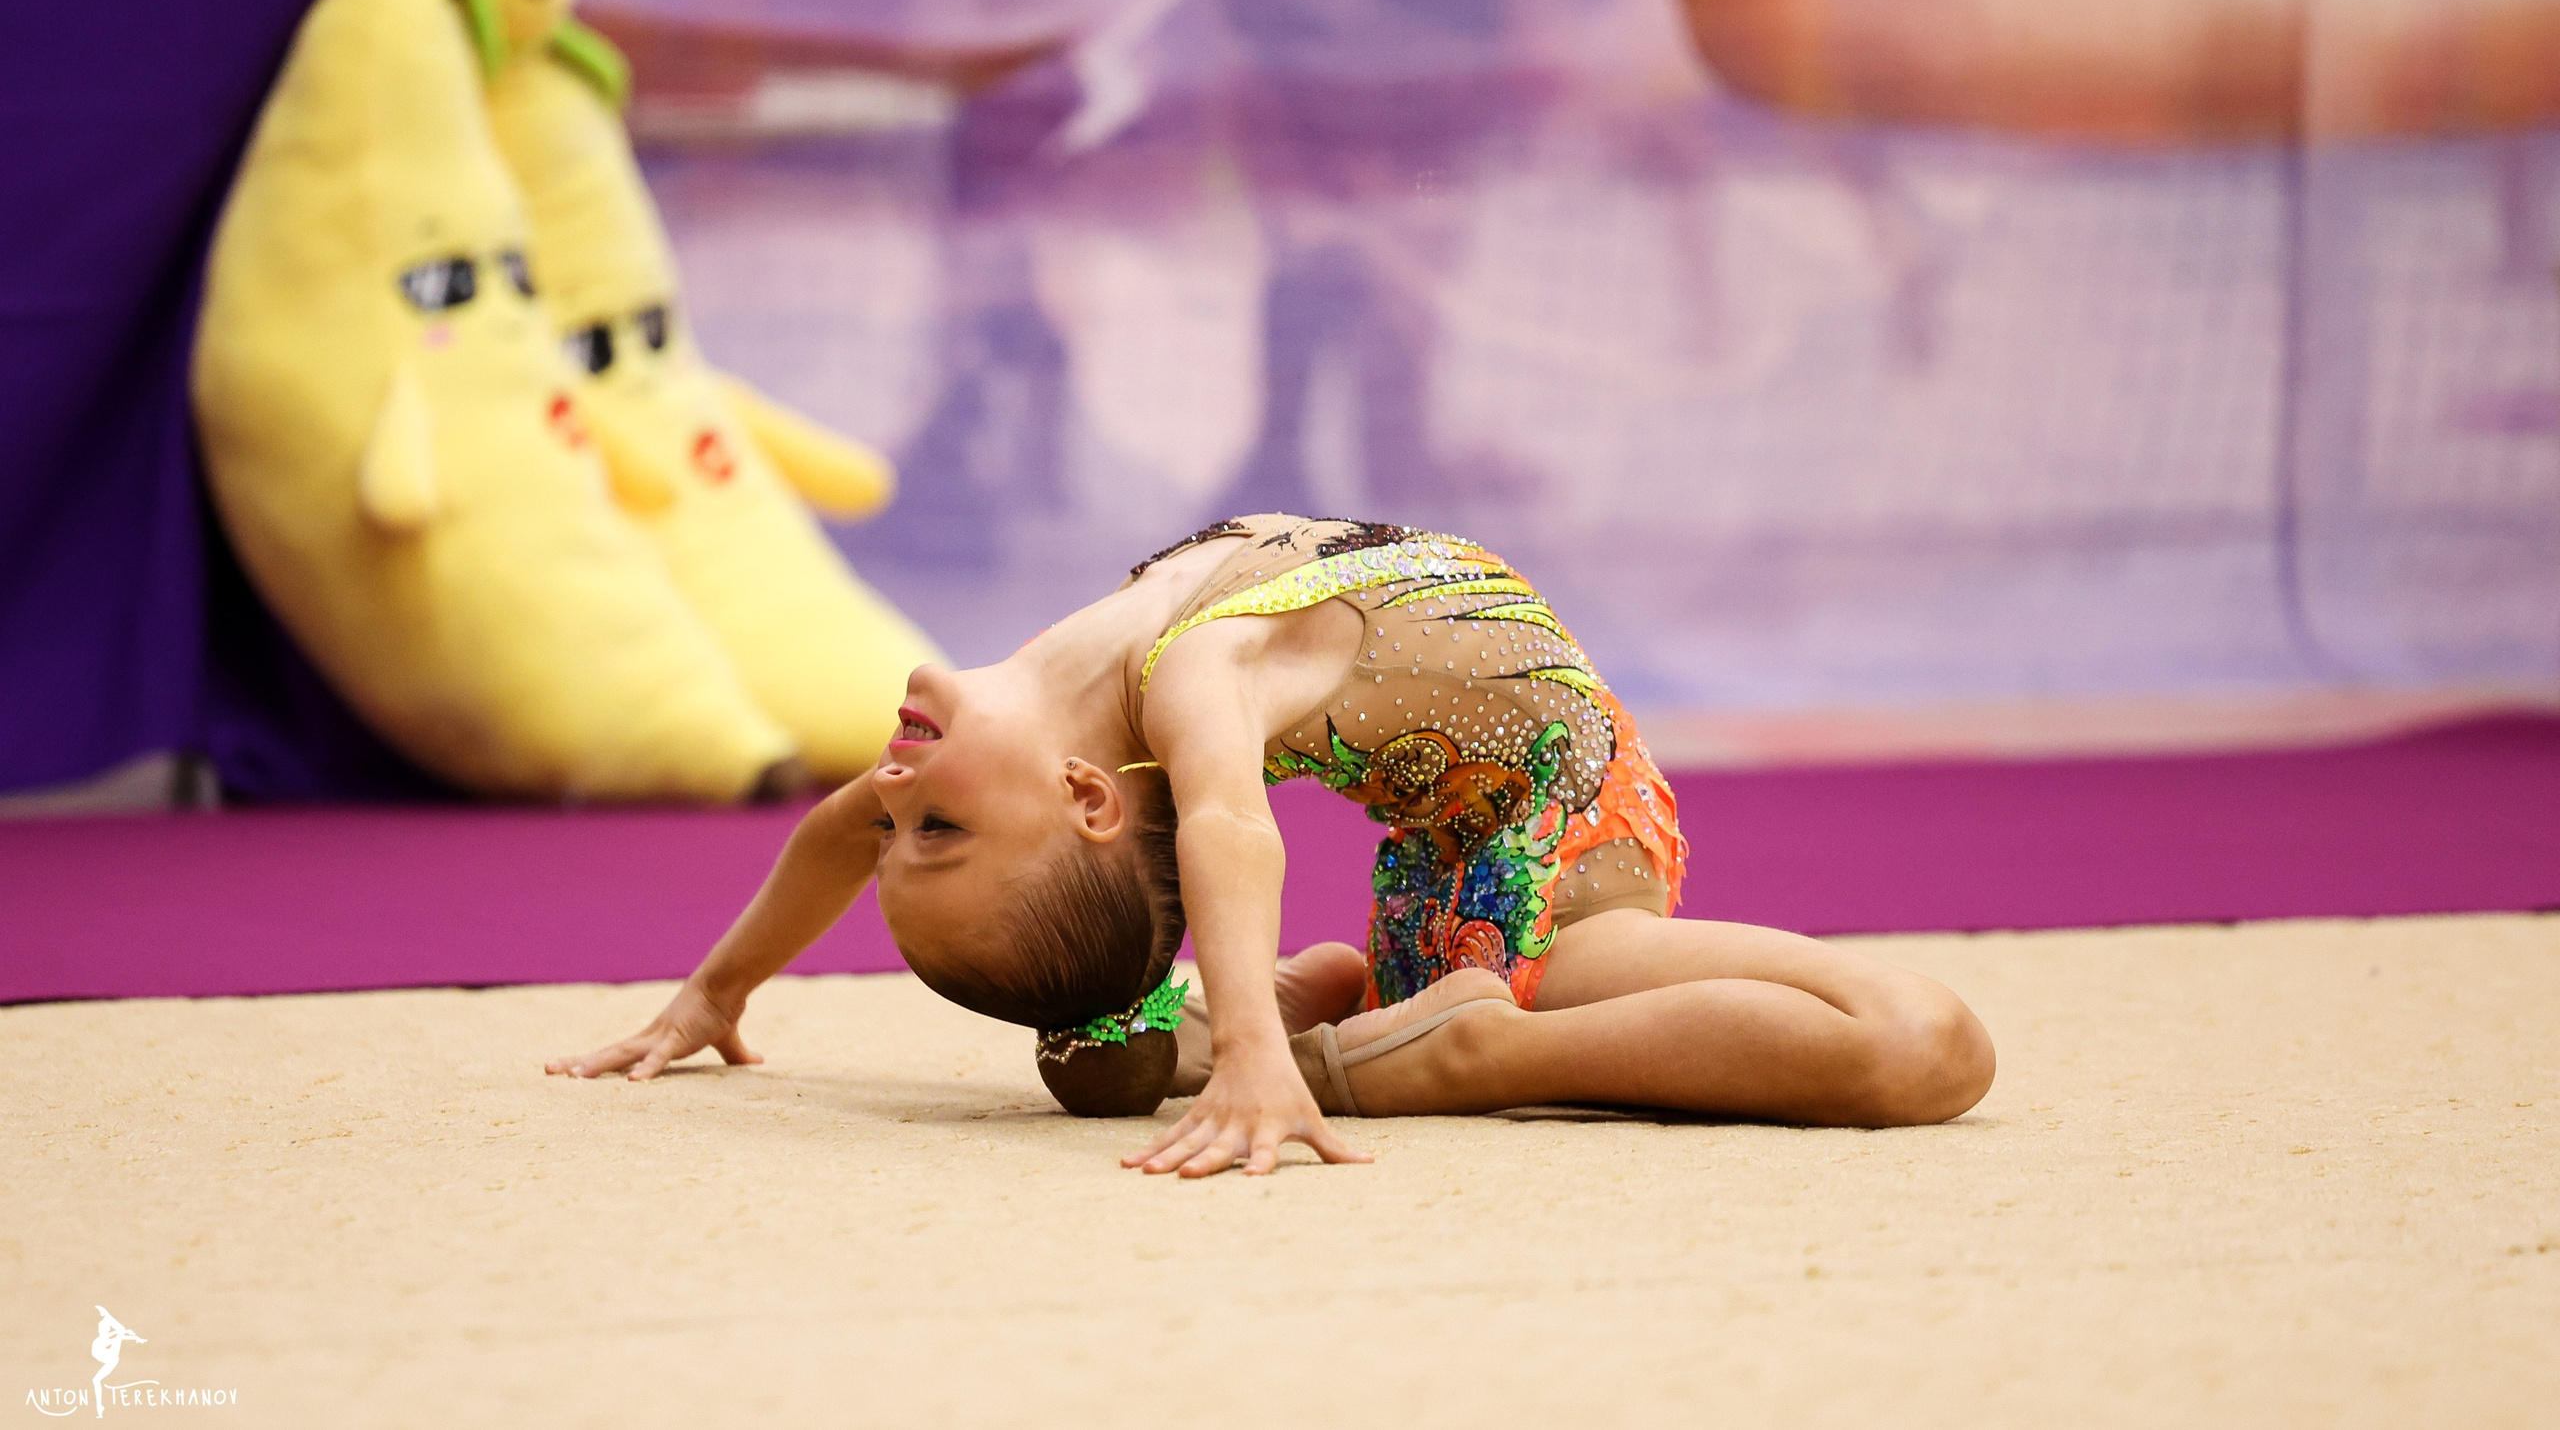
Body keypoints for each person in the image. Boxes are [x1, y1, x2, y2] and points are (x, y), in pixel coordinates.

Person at [550, 514, 1994, 1177]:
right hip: (1560, 885)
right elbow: (1232, 828)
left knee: (1121, 1045)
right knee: (1926, 1047)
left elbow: (837, 829)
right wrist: (1243, 1055)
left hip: (1482, 867)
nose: (889, 790)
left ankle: (1334, 1014)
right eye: (936, 827)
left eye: (908, 828)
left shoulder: (1062, 697)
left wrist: (718, 990)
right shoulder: (1179, 693)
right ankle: (1462, 1051)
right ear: (1088, 801)